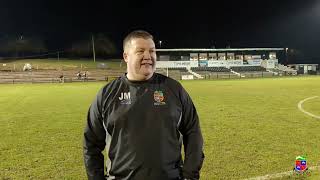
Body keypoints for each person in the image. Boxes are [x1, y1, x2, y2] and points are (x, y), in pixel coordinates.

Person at [83, 30, 204, 180]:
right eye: (140, 51)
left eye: (152, 51)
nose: (148, 56)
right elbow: (91, 144)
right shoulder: (107, 94)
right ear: (126, 56)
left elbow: (193, 132)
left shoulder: (174, 89)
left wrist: (190, 175)